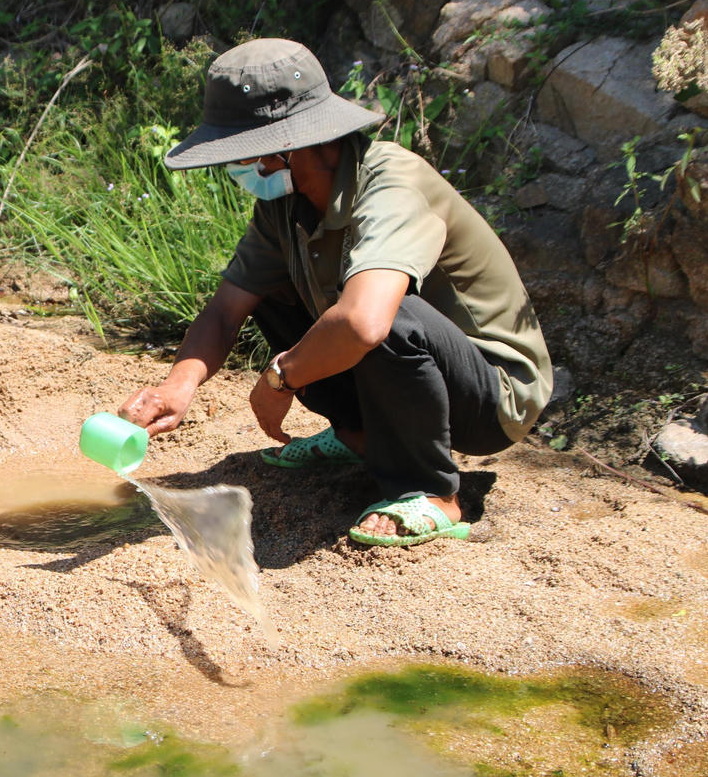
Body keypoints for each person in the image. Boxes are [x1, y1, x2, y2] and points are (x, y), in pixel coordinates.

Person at [118, 38, 552, 547]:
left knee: (383, 316)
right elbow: (226, 309)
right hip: (408, 373)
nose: (238, 168)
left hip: (491, 396)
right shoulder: (284, 206)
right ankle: (360, 434)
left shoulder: (392, 183)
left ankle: (432, 492)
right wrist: (177, 387)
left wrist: (279, 379)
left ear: (287, 146)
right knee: (273, 292)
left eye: (242, 153)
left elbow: (364, 324)